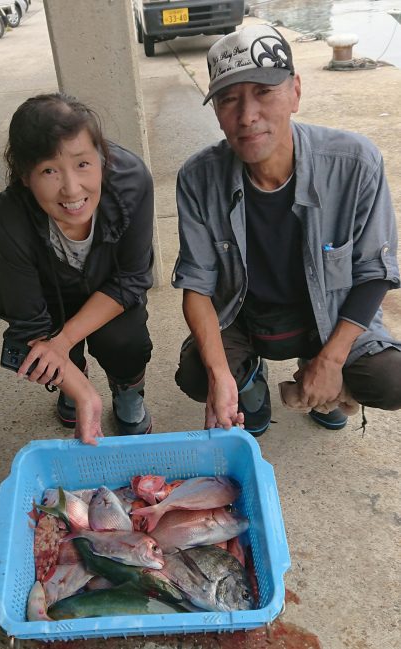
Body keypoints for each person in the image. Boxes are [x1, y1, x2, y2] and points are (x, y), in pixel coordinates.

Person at [172, 24, 401, 435]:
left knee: (392, 379)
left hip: (327, 315)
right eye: (228, 99)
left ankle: (324, 380)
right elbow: (198, 285)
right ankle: (248, 384)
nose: (247, 116)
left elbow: (374, 272)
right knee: (195, 374)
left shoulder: (356, 163)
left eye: (264, 91)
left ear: (295, 90)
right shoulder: (196, 178)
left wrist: (331, 362)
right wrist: (220, 374)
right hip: (245, 318)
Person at [0, 92, 154, 445]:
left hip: (110, 292)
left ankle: (127, 390)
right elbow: (26, 321)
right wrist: (82, 391)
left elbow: (132, 277)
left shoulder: (133, 181)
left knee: (125, 340)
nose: (72, 188)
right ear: (24, 175)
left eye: (83, 164)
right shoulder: (10, 219)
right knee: (46, 349)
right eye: (49, 170)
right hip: (50, 300)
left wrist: (63, 341)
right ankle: (71, 374)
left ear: (102, 158)